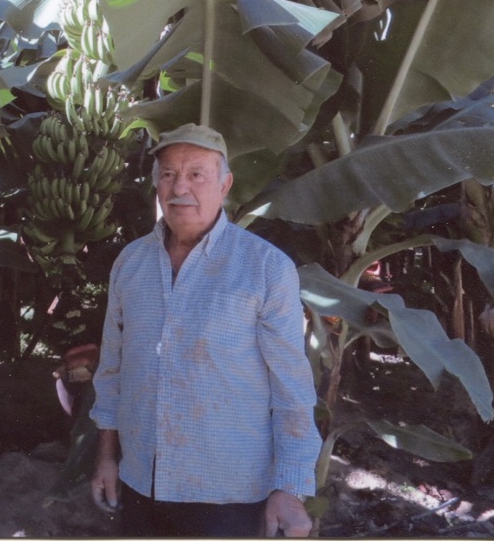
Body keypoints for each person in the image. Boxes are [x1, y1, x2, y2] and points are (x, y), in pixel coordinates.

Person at [89, 123, 321, 537]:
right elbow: (112, 370)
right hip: (141, 481)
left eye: (196, 174)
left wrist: (289, 489)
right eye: (168, 174)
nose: (180, 187)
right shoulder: (130, 263)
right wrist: (107, 457)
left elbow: (292, 389)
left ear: (225, 185)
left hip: (228, 494)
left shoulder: (266, 268)